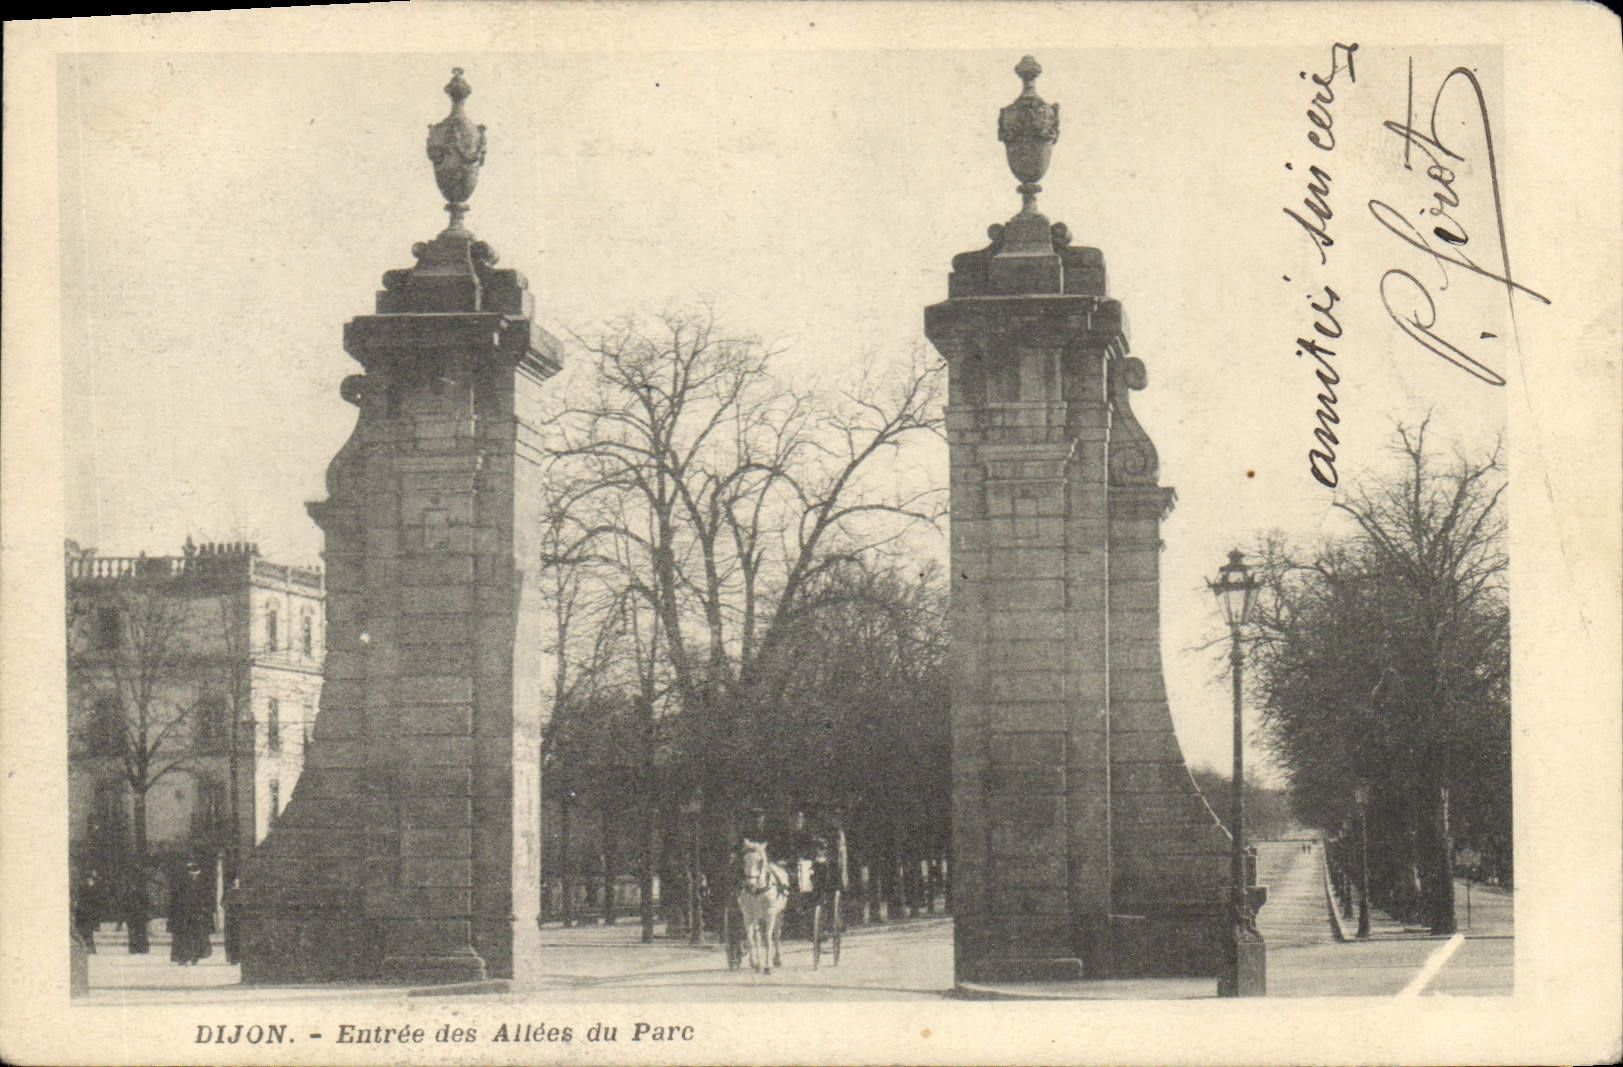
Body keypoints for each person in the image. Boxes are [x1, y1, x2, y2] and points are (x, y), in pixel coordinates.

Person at [167, 860, 214, 965]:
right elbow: (174, 899)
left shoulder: (203, 881)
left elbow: (207, 898)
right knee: (184, 937)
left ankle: (193, 957)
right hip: (184, 914)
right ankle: (184, 957)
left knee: (195, 936)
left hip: (196, 914)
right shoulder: (181, 881)